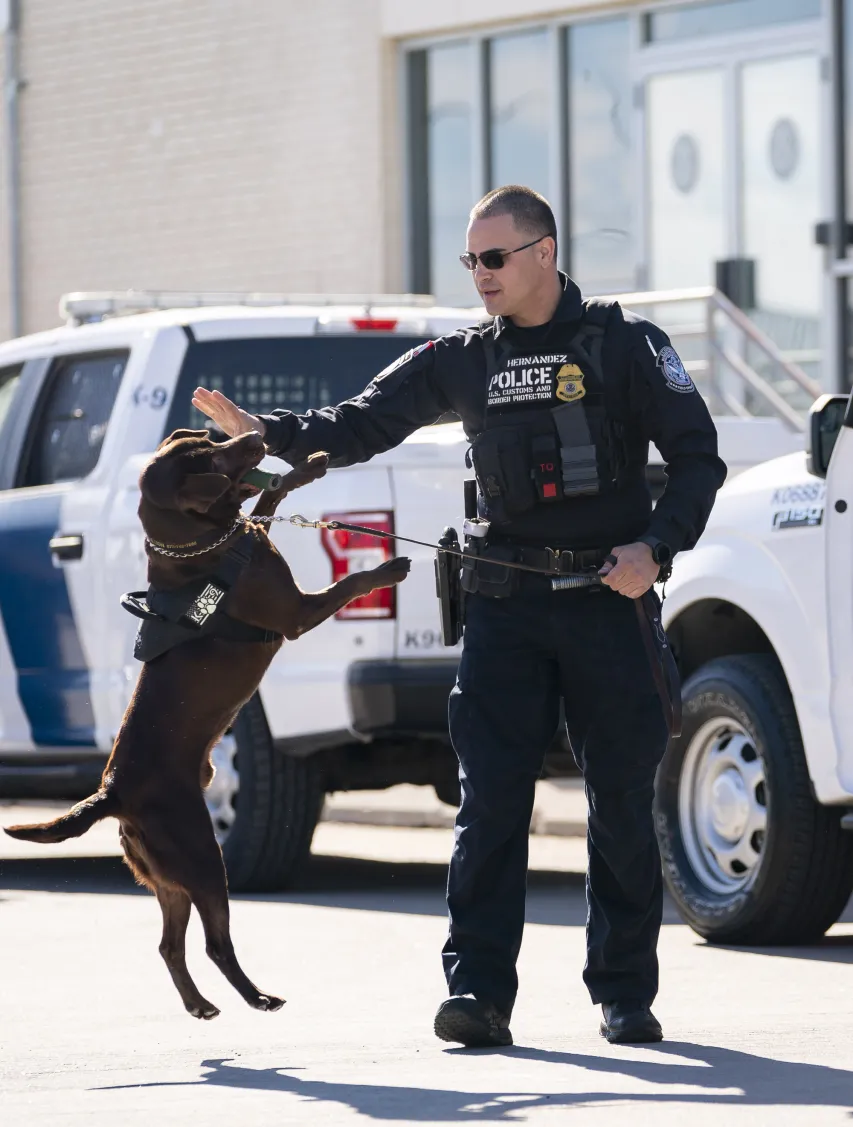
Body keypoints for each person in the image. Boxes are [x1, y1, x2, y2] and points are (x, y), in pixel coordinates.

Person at [193, 184, 726, 1048]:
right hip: (505, 612)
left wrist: (654, 550)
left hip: (608, 604)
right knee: (489, 806)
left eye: (494, 257)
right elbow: (359, 422)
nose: (478, 274)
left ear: (543, 253)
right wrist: (269, 434)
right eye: (469, 260)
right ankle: (478, 995)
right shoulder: (462, 357)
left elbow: (699, 461)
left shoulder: (626, 345)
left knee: (621, 804)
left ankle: (623, 993)